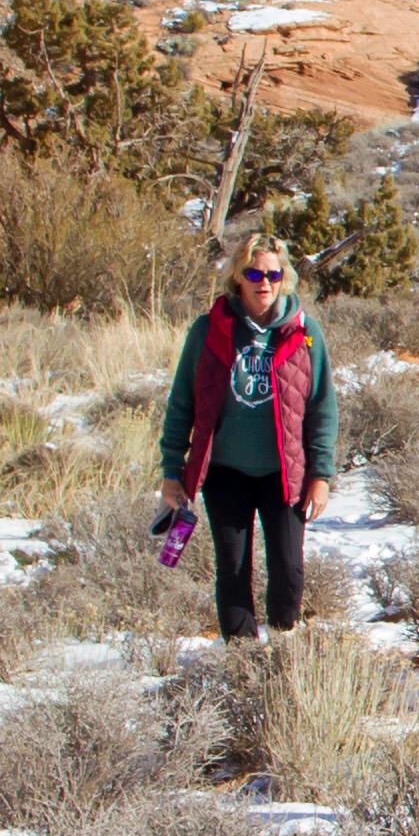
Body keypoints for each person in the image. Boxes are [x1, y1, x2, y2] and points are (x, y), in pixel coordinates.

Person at [157, 236, 337, 642]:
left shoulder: (305, 332)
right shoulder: (209, 329)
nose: (265, 283)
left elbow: (322, 407)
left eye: (274, 274)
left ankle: (283, 646)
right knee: (233, 568)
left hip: (283, 473)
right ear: (238, 277)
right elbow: (181, 402)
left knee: (289, 571)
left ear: (284, 279)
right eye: (255, 273)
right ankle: (242, 661)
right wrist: (172, 470)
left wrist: (321, 475)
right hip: (226, 472)